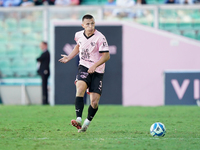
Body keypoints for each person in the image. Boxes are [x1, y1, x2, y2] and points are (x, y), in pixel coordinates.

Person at [59, 14, 110, 133]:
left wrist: (95, 65)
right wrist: (69, 57)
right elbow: (78, 46)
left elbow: (106, 56)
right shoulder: (78, 35)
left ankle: (86, 123)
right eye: (87, 24)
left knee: (94, 102)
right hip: (84, 66)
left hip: (97, 70)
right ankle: (78, 119)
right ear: (83, 25)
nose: (90, 26)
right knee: (80, 88)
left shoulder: (100, 37)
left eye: (92, 23)